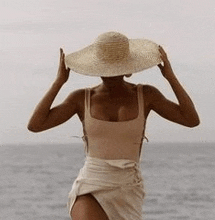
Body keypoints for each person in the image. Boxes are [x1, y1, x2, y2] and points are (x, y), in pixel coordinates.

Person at [27, 32, 200, 220]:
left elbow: (190, 119)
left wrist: (170, 77)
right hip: (91, 183)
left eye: (114, 67)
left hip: (128, 188)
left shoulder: (146, 95)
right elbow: (36, 125)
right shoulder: (82, 98)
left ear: (128, 69)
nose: (109, 73)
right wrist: (58, 82)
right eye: (105, 67)